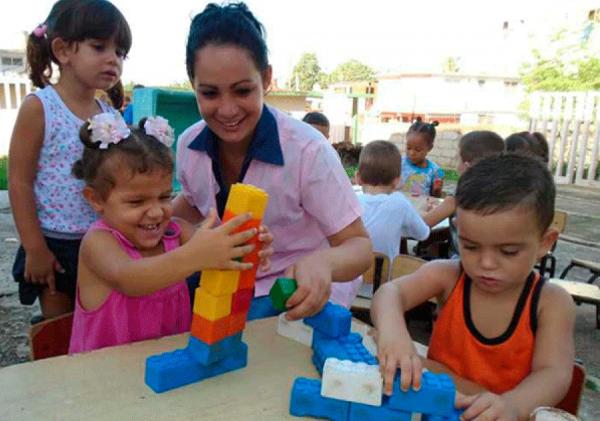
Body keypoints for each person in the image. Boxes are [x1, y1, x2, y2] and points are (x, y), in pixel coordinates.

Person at [173, 2, 372, 321]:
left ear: (265, 79)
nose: (227, 110)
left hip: (294, 292)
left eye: (242, 91)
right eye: (210, 93)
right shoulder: (188, 146)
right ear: (192, 85)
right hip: (222, 284)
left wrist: (323, 264)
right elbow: (194, 202)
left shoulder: (308, 151)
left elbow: (359, 247)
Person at [371, 154, 575, 421]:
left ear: (545, 242)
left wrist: (512, 405)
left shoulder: (550, 303)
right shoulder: (449, 276)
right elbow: (389, 293)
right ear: (458, 233)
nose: (486, 263)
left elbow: (554, 373)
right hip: (433, 409)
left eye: (509, 251)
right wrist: (394, 335)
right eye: (471, 246)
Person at [68, 113, 271, 353]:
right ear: (96, 199)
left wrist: (245, 246)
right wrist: (196, 256)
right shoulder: (99, 242)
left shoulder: (177, 233)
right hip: (102, 376)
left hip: (168, 367)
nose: (155, 212)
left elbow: (220, 260)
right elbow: (128, 278)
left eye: (165, 197)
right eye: (136, 202)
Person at [8, 0, 131, 321]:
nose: (113, 59)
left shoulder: (108, 114)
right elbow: (19, 181)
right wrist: (35, 248)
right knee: (58, 329)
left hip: (102, 240)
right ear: (63, 50)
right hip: (54, 244)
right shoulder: (40, 107)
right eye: (99, 46)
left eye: (120, 52)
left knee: (97, 321)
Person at [356, 140, 429, 262]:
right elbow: (423, 234)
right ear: (397, 181)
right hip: (385, 279)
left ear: (358, 178)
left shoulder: (351, 203)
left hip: (350, 277)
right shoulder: (400, 203)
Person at [422, 130, 505, 228]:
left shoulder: (459, 196)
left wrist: (424, 212)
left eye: (458, 159)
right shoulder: (503, 196)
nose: (457, 166)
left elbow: (421, 226)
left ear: (467, 167)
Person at [399, 118, 444, 197]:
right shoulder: (399, 163)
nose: (412, 153)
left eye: (418, 150)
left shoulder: (435, 172)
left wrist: (436, 190)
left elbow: (435, 198)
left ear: (429, 147)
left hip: (420, 208)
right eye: (408, 148)